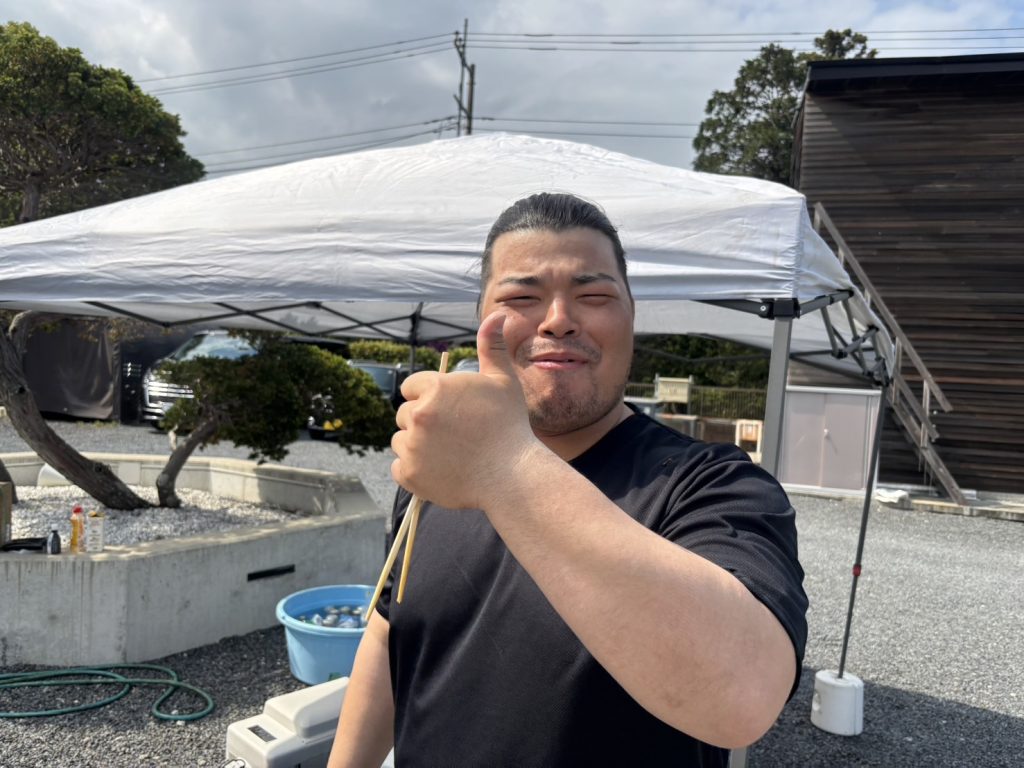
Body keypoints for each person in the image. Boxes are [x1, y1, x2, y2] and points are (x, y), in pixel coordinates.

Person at [328, 193, 807, 767]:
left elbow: (744, 698)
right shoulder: (435, 474)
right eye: (521, 297)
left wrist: (503, 465)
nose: (558, 319)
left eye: (594, 296)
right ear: (480, 319)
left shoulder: (710, 485)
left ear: (631, 318)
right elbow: (391, 634)